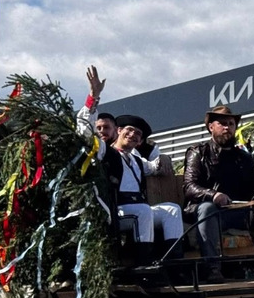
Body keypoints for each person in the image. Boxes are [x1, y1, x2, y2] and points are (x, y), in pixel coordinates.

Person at [77, 65, 183, 265]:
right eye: (130, 130)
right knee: (142, 211)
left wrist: (165, 158)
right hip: (115, 211)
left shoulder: (135, 160)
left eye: (138, 135)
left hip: (136, 210)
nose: (133, 135)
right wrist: (93, 97)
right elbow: (83, 131)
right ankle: (144, 266)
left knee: (171, 209)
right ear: (118, 131)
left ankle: (174, 265)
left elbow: (154, 166)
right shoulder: (105, 152)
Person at [183, 104, 254, 281]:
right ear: (211, 127)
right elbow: (189, 186)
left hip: (241, 212)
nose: (227, 128)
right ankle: (213, 268)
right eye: (222, 124)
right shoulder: (198, 152)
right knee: (208, 209)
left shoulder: (243, 157)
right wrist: (213, 195)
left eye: (231, 124)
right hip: (212, 213)